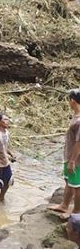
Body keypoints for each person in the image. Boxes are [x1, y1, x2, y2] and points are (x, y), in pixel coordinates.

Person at [49, 89, 80, 217]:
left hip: (76, 159)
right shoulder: (76, 116)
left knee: (77, 185)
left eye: (69, 99)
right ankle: (64, 205)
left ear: (72, 100)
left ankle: (76, 212)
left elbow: (79, 142)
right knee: (69, 182)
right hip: (69, 155)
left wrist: (72, 161)